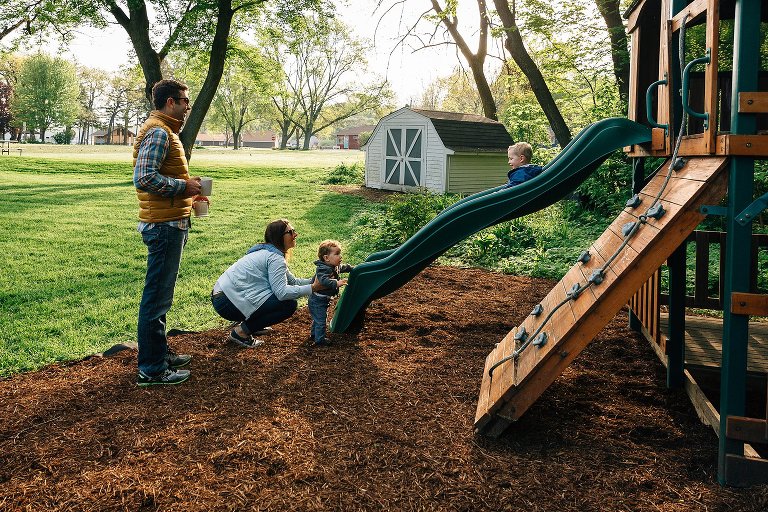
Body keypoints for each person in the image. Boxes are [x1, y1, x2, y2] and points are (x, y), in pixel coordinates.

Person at [133, 78, 203, 387]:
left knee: (162, 296)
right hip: (163, 228)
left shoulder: (164, 131)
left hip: (171, 222)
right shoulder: (160, 132)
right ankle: (152, 369)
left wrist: (191, 193)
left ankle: (159, 355)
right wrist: (183, 186)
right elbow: (144, 178)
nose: (188, 106)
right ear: (170, 103)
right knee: (156, 299)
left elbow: (160, 175)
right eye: (185, 101)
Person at [211, 219, 324, 348]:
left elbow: (292, 282)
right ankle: (241, 332)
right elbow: (282, 293)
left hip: (223, 297)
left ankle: (254, 324)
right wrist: (313, 288)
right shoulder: (275, 258)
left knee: (277, 297)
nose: (295, 235)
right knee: (288, 304)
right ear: (279, 237)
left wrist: (314, 281)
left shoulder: (269, 252)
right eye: (291, 232)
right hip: (227, 303)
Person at [308, 240, 354, 346]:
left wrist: (352, 269)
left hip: (322, 299)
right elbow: (323, 281)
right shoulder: (323, 269)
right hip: (317, 300)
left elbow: (342, 267)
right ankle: (320, 341)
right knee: (320, 320)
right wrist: (336, 283)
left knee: (318, 319)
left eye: (340, 253)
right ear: (326, 258)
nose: (340, 256)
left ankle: (314, 335)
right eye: (337, 254)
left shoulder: (334, 266)